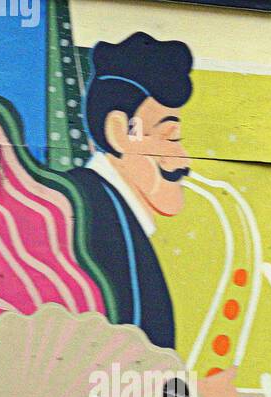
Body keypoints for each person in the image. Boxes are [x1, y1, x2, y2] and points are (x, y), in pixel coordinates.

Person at [69, 33, 193, 350]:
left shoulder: (111, 213)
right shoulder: (86, 213)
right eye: (170, 136)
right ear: (118, 132)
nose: (184, 161)